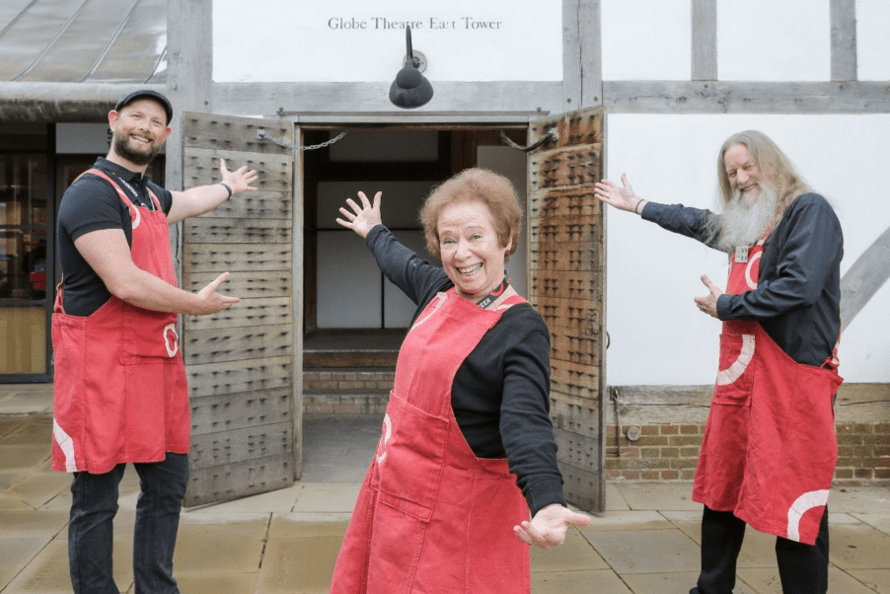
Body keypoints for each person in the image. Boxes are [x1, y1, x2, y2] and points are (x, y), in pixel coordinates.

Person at [594, 130, 843, 594]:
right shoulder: (752, 223)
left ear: (773, 162)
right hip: (742, 383)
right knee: (722, 492)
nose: (741, 178)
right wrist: (639, 205)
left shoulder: (809, 211)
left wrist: (726, 305)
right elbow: (699, 222)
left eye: (748, 166)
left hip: (793, 384)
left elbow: (800, 286)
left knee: (795, 503)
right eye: (732, 173)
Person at [330, 168, 591, 593]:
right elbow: (400, 261)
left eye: (475, 236)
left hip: (459, 519)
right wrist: (373, 230)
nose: (461, 253)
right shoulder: (438, 290)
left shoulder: (520, 327)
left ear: (506, 239)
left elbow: (525, 421)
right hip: (393, 493)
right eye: (448, 240)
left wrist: (546, 499)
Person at [51, 89, 258, 594]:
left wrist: (227, 188)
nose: (145, 126)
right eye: (136, 116)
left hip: (153, 363)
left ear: (165, 136)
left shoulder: (145, 193)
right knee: (97, 497)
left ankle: (155, 588)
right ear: (114, 121)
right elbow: (124, 282)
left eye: (156, 121)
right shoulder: (92, 192)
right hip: (102, 367)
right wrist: (194, 303)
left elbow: (185, 201)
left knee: (167, 486)